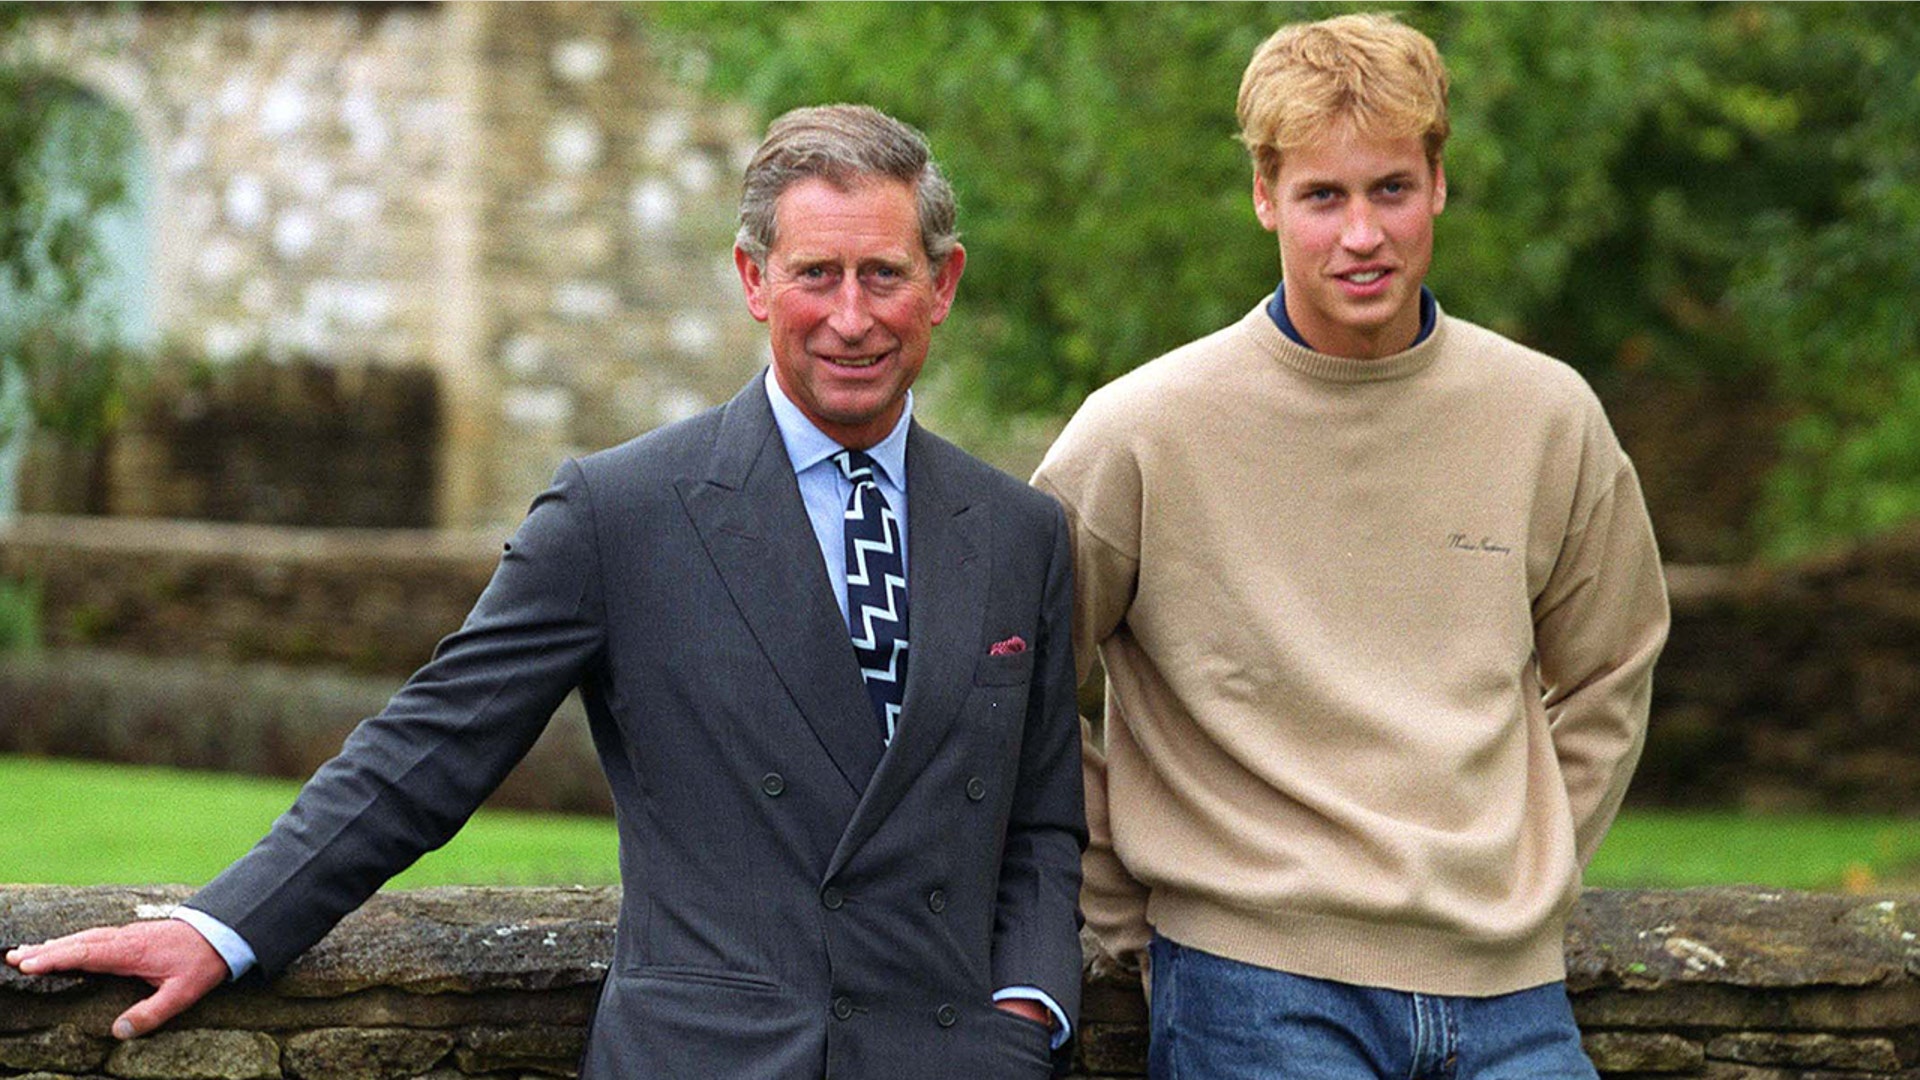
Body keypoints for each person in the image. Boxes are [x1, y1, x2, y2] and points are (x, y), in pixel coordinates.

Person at [8, 104, 1086, 1079]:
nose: (851, 317)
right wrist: (223, 927)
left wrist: (1029, 1012)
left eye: (884, 275)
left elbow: (1040, 821)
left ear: (943, 284)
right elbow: (434, 744)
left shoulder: (1019, 533)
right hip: (709, 1059)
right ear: (754, 280)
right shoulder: (622, 511)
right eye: (817, 274)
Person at [1031, 14, 1668, 1079]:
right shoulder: (1141, 432)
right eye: (1323, 196)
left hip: (1508, 991)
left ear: (1439, 185)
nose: (1362, 234)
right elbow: (1014, 682)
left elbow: (1614, 659)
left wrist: (1530, 864)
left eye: (1391, 189)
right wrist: (1127, 897)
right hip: (1252, 982)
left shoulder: (1546, 415)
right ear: (1265, 197)